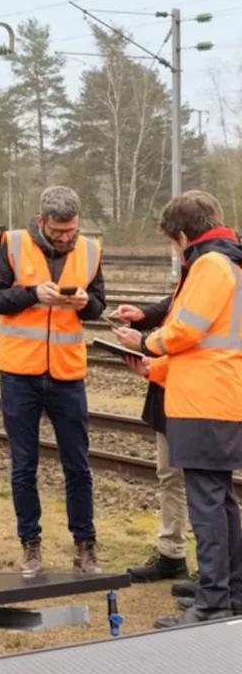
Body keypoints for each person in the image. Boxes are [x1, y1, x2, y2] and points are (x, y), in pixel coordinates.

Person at [115, 190, 242, 626]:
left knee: (206, 503)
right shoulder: (233, 260)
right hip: (219, 392)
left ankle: (212, 603)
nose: (177, 251)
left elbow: (188, 329)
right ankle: (230, 589)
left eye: (174, 244)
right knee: (221, 500)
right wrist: (156, 369)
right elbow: (213, 343)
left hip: (204, 401)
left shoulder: (210, 263)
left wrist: (145, 342)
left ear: (185, 236)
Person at [0, 186, 106, 574]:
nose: (66, 239)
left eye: (71, 231)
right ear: (41, 222)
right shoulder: (14, 245)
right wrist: (33, 294)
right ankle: (30, 546)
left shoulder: (90, 251)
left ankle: (85, 547)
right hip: (20, 374)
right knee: (24, 465)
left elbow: (99, 305)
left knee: (78, 467)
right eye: (58, 232)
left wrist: (87, 305)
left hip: (68, 374)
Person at [111, 296, 191, 584]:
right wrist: (143, 314)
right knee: (171, 477)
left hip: (201, 395)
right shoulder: (197, 265)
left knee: (208, 485)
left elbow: (190, 332)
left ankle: (217, 570)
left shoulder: (218, 263)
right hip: (170, 391)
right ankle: (172, 555)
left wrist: (145, 342)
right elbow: (175, 304)